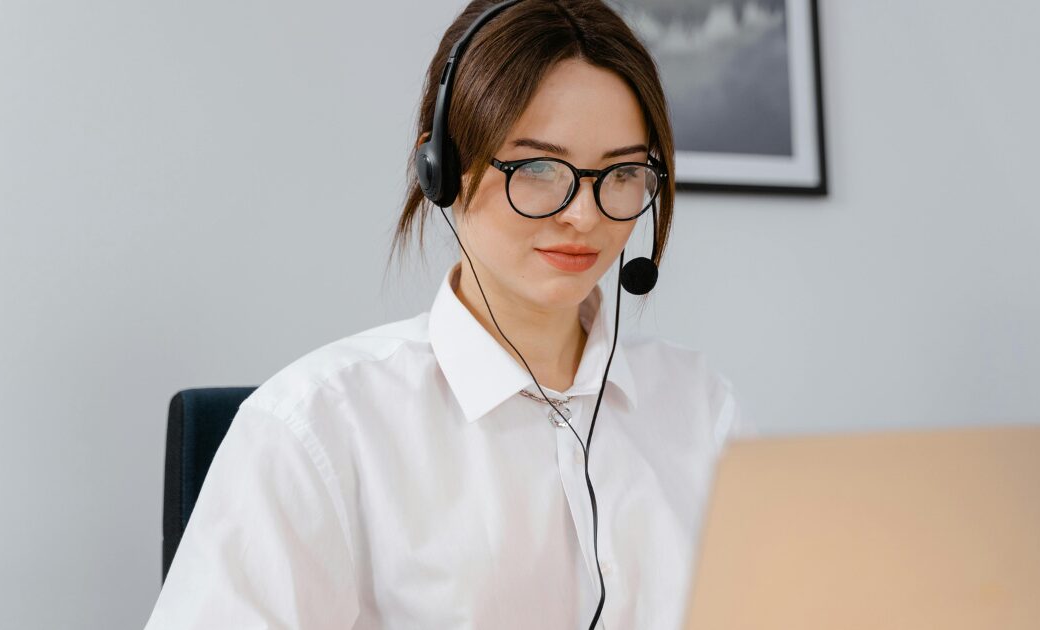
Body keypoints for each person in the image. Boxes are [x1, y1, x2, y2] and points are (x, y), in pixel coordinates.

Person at [144, 1, 751, 628]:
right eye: (539, 167)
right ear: (440, 170)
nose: (585, 215)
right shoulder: (314, 427)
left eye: (621, 172)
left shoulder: (701, 406)